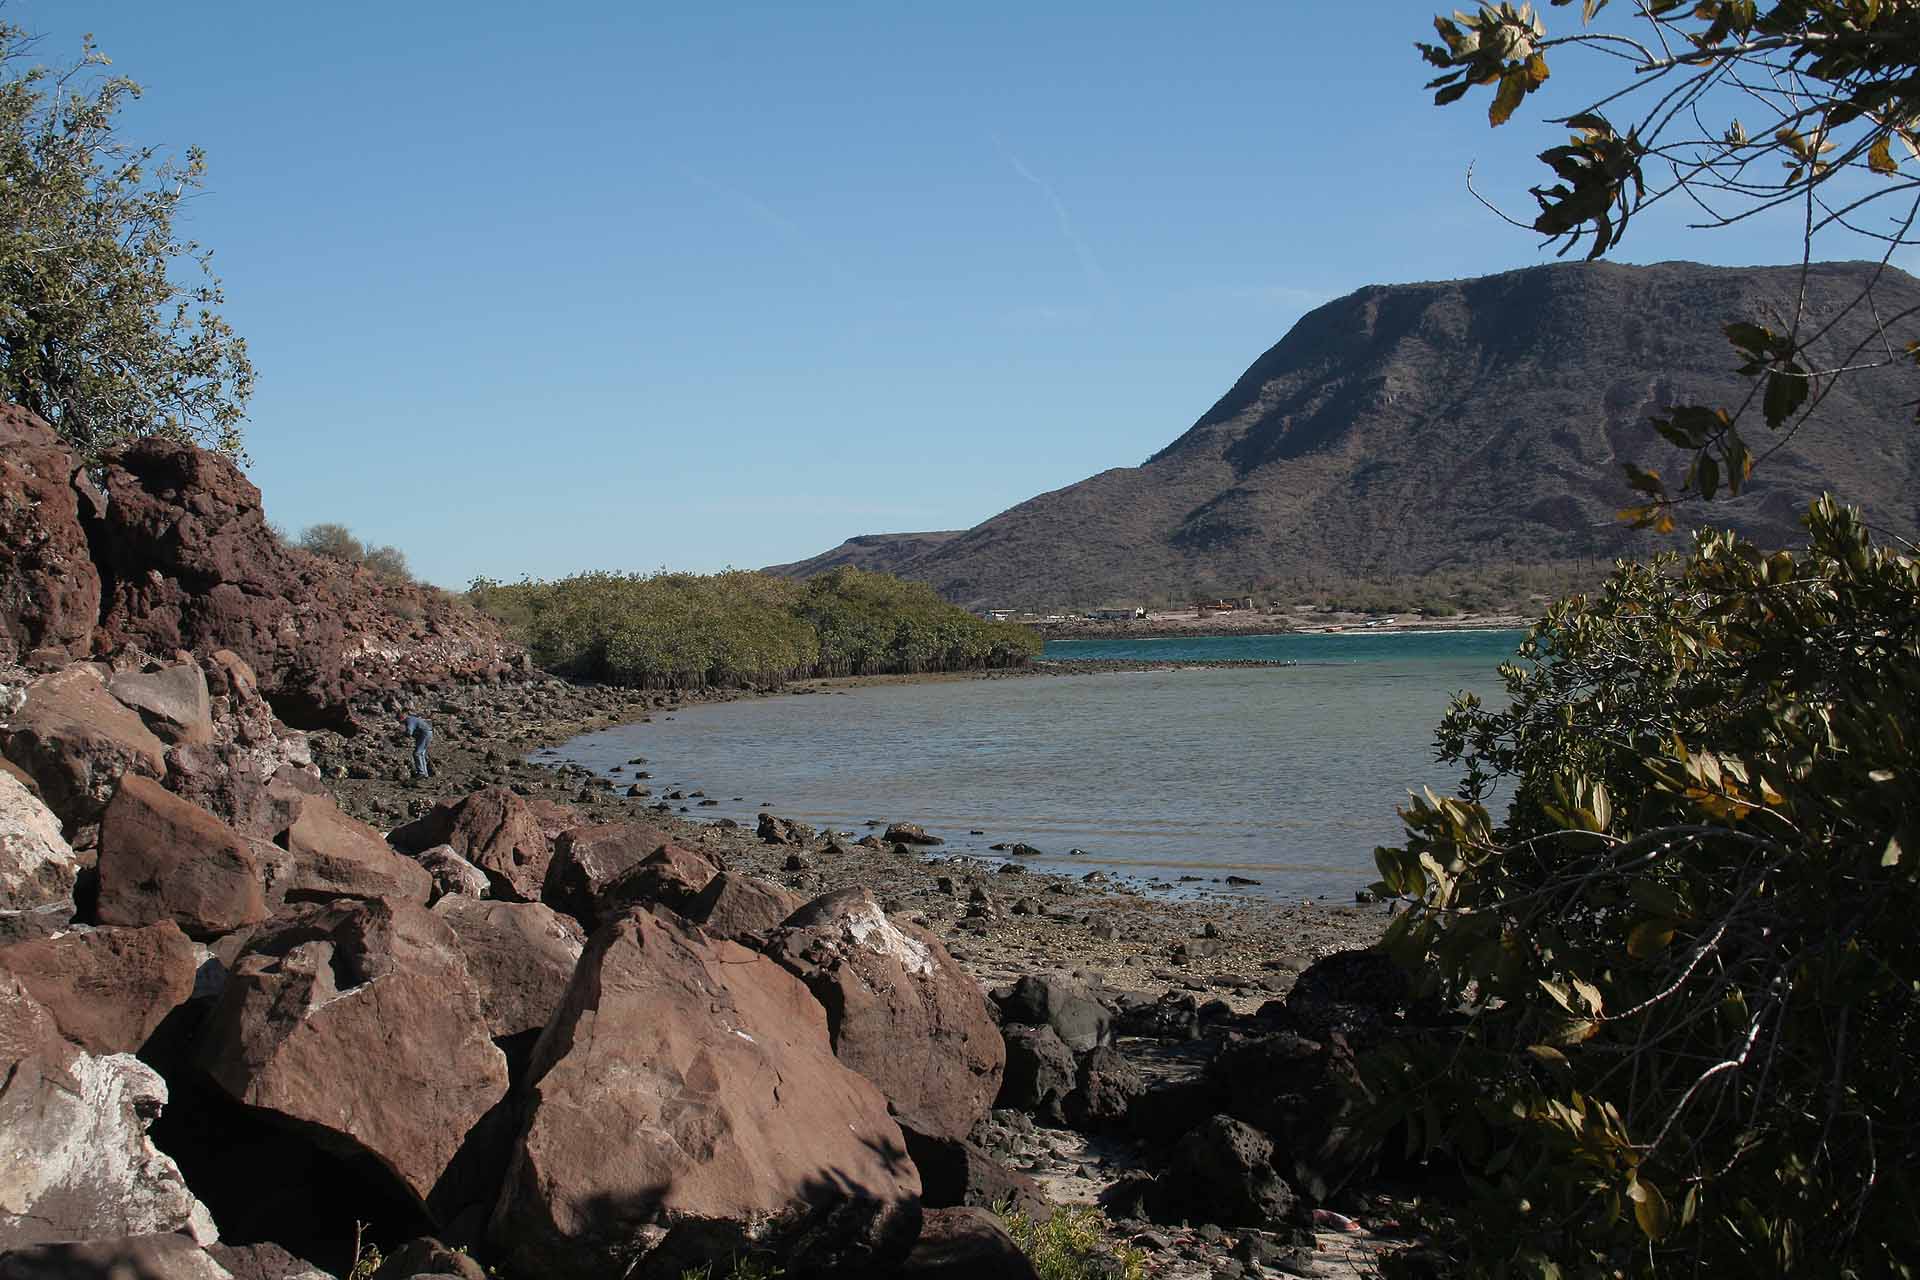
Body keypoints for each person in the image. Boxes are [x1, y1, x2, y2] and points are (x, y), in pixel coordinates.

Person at [399, 710, 432, 779]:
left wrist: (402, 735)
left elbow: (409, 732)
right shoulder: (412, 718)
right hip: (427, 733)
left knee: (417, 753)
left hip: (424, 734)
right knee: (421, 754)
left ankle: (421, 772)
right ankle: (425, 774)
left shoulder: (409, 720)